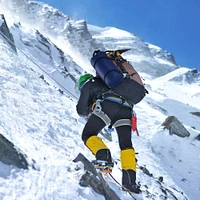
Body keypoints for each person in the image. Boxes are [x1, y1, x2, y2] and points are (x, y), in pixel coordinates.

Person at [76, 52, 146, 193]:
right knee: (126, 145)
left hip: (108, 106)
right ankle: (130, 182)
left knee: (88, 134)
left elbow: (81, 109)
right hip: (127, 110)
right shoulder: (111, 81)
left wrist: (89, 112)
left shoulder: (89, 84)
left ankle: (103, 157)